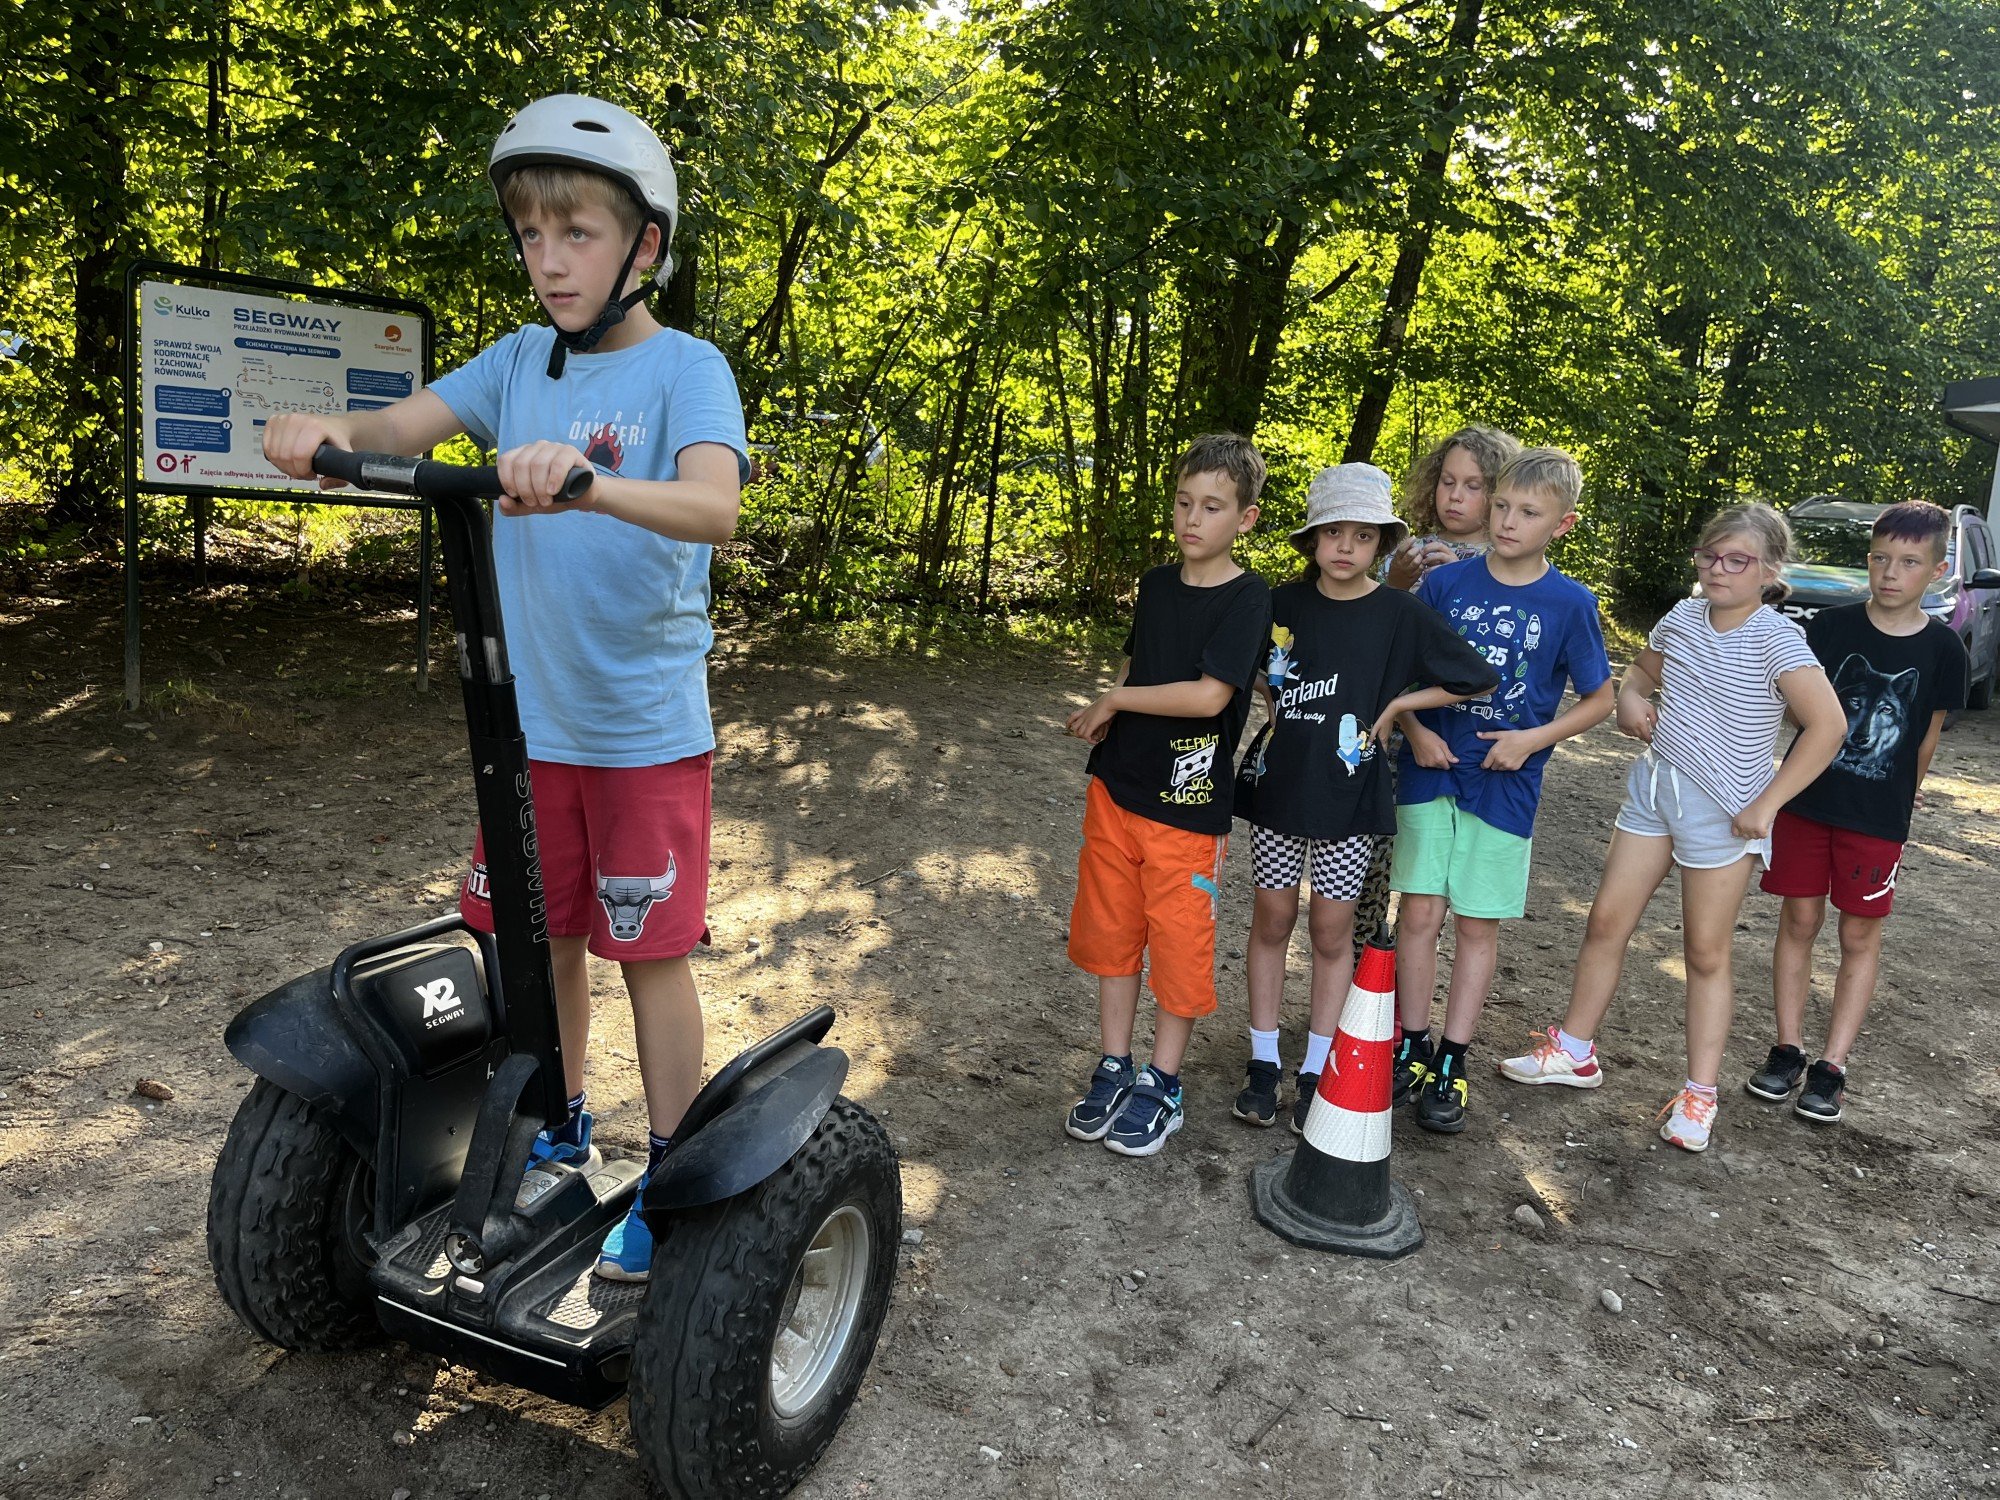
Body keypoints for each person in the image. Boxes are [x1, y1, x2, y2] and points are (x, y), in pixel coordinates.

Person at [263, 95, 748, 1279]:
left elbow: (713, 506)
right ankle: (559, 1122)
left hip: (639, 733)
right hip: (530, 731)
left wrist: (588, 481)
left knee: (648, 954)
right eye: (532, 236)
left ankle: (670, 1169)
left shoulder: (686, 369)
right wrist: (330, 434)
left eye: (576, 234)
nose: (549, 261)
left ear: (643, 246)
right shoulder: (516, 362)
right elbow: (402, 422)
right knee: (537, 942)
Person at [1498, 504, 1847, 1153]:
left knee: (1705, 953)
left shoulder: (1777, 639)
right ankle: (1574, 1051)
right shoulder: (1682, 617)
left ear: (1770, 570)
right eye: (1709, 555)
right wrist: (1630, 700)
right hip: (1654, 793)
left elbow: (1828, 727)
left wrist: (1768, 804)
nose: (1718, 569)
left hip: (1725, 812)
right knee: (1606, 921)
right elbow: (1639, 675)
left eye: (1737, 560)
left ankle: (1699, 1096)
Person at [1231, 465, 1498, 1132]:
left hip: (1350, 796)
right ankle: (1263, 1061)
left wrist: (1399, 706)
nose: (1346, 547)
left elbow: (1476, 677)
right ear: (1312, 540)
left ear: (1382, 543)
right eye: (1333, 533)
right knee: (1271, 920)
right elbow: (1240, 664)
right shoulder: (1280, 604)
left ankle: (1315, 1068)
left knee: (1332, 931)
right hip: (1280, 786)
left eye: (1362, 535)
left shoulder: (1399, 614)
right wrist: (1269, 693)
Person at [1387, 447, 1616, 1133]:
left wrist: (1531, 740)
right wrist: (1416, 729)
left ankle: (1452, 1061)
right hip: (1431, 771)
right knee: (1418, 914)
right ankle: (1412, 1045)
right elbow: (1401, 668)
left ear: (1562, 524)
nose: (1509, 522)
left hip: (1506, 785)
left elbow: (1600, 699)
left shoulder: (1571, 603)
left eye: (1529, 513)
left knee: (1476, 923)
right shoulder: (1446, 585)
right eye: (1504, 507)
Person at [1062, 434, 1274, 1158]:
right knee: (1113, 932)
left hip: (1187, 809)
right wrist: (1113, 707)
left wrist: (1116, 699)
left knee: (1179, 946)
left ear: (1245, 518)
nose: (1193, 518)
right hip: (1116, 790)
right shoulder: (1156, 584)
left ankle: (1163, 1081)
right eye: (1184, 502)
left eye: (1213, 506)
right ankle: (1115, 1065)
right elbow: (1137, 661)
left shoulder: (1249, 597)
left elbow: (1211, 695)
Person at [1747, 501, 1968, 1124]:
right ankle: (1787, 1050)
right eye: (1880, 559)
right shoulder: (1828, 628)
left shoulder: (1944, 648)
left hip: (1877, 819)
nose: (1890, 573)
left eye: (1909, 563)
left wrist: (1903, 800)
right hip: (1805, 803)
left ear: (1937, 571)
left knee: (1858, 934)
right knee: (1798, 920)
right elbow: (1797, 710)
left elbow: (1926, 736)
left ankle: (1831, 1067)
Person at [1355, 425, 1521, 957]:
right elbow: (1376, 640)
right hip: (1393, 732)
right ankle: (1361, 984)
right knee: (1370, 863)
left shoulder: (1507, 564)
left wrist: (1467, 579)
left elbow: (1485, 661)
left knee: (1426, 883)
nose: (1455, 495)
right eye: (1448, 481)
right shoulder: (1407, 551)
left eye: (1473, 486)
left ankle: (1406, 988)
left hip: (1460, 744)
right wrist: (1398, 584)